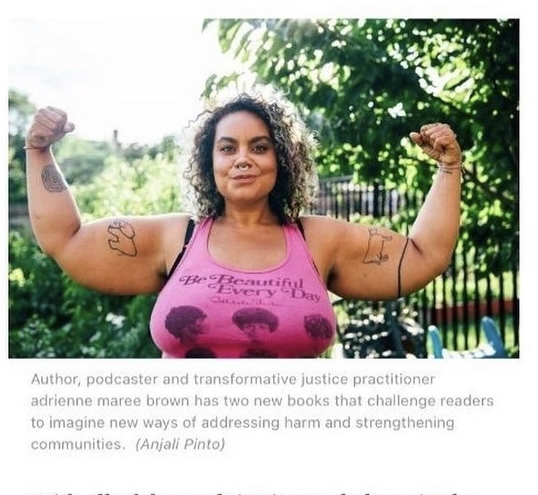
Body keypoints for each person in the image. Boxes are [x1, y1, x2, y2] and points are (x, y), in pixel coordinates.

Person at [24, 92, 463, 359]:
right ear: (208, 162)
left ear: (283, 160)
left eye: (259, 147)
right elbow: (65, 238)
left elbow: (426, 255)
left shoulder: (319, 240)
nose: (242, 159)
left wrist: (449, 169)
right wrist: (39, 150)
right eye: (227, 148)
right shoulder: (177, 238)